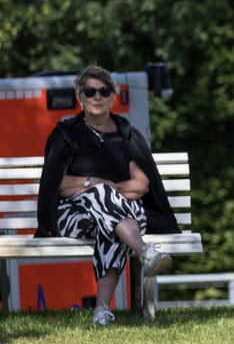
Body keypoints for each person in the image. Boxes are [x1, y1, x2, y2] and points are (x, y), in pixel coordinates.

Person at [35, 66, 178, 326]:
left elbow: (142, 184)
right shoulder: (66, 135)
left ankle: (101, 310)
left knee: (109, 221)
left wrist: (110, 191)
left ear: (113, 96)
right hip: (72, 216)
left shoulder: (127, 136)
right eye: (89, 91)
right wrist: (94, 184)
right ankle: (145, 252)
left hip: (125, 215)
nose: (96, 96)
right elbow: (59, 185)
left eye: (103, 91)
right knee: (101, 196)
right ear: (80, 98)